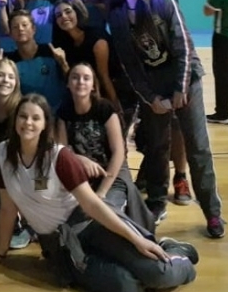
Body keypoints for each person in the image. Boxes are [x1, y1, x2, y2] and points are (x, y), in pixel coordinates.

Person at [0, 93, 198, 292]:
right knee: (127, 288)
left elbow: (92, 204)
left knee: (158, 273)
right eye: (23, 116)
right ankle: (134, 265)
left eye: (35, 118)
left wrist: (137, 240)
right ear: (15, 120)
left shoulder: (59, 157)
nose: (28, 123)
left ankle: (177, 254)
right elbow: (7, 209)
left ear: (44, 125)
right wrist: (0, 253)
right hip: (62, 245)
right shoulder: (2, 155)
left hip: (90, 225)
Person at [107, 0, 224, 237]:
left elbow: (184, 45)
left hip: (186, 80)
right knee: (157, 147)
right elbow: (131, 66)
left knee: (198, 148)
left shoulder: (162, 1)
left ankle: (212, 213)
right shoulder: (118, 17)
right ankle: (157, 202)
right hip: (155, 88)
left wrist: (181, 88)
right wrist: (151, 99)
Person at [56, 63, 154, 230]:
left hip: (112, 175)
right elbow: (62, 152)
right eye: (75, 77)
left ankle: (138, 234)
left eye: (86, 78)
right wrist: (80, 159)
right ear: (68, 84)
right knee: (72, 223)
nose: (80, 82)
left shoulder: (105, 109)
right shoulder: (64, 112)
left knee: (105, 214)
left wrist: (101, 193)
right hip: (84, 178)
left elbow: (118, 152)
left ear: (93, 85)